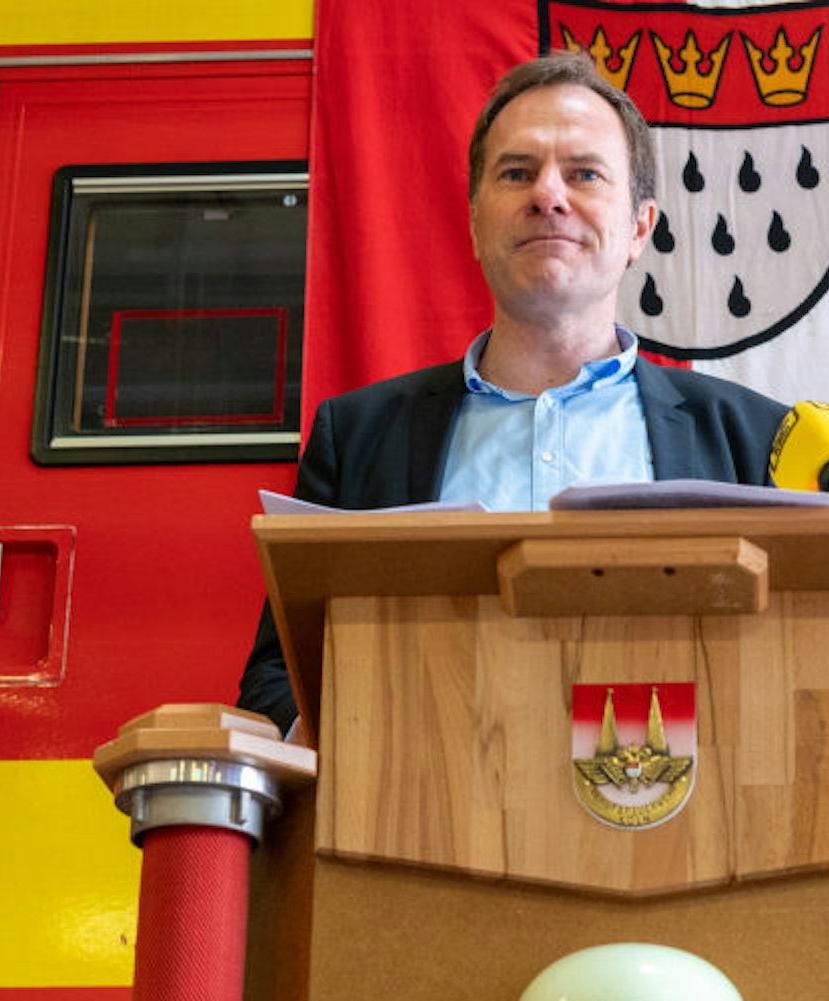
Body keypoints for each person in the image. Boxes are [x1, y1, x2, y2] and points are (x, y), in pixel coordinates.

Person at [239, 50, 789, 736]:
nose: (548, 195)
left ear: (639, 229)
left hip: (671, 793)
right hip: (425, 797)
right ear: (475, 224)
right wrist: (358, 738)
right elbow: (275, 681)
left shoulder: (753, 442)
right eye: (517, 172)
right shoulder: (356, 439)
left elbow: (795, 659)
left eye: (584, 173)